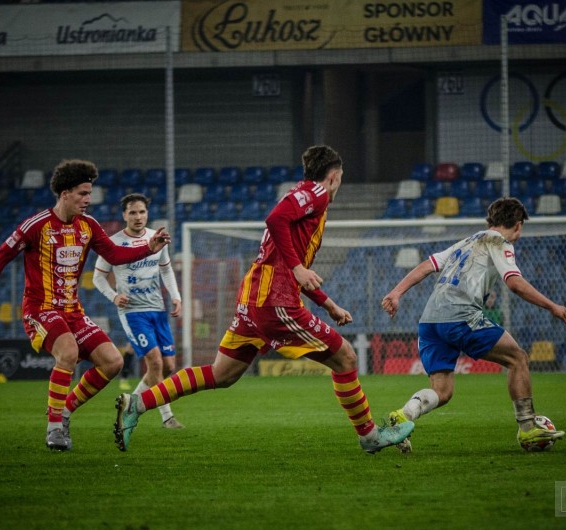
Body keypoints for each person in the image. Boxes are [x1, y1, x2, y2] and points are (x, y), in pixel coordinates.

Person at [113, 145, 414, 453]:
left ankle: (138, 403)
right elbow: (275, 221)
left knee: (221, 374)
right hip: (275, 301)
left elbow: (290, 264)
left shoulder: (300, 195)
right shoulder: (318, 193)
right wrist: (298, 269)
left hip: (255, 298)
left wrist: (328, 304)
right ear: (335, 176)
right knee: (346, 358)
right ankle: (369, 436)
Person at [0, 159, 171, 451]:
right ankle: (54, 429)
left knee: (113, 362)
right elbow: (0, 257)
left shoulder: (89, 226)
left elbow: (114, 255)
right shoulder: (36, 225)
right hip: (40, 309)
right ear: (65, 194)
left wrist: (148, 247)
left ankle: (63, 413)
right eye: (82, 193)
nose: (88, 199)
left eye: (89, 193)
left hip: (73, 312)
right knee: (68, 351)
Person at [381, 197, 566, 451]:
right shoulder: (499, 242)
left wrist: (396, 293)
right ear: (518, 225)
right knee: (517, 358)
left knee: (442, 391)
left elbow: (427, 266)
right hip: (460, 316)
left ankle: (405, 414)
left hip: (429, 322)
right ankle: (528, 427)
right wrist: (552, 306)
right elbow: (515, 283)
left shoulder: (466, 241)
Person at [93, 193, 185, 429]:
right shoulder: (113, 242)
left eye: (142, 212)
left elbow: (166, 270)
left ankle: (131, 403)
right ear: (124, 215)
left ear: (147, 214)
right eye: (132, 212)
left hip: (157, 309)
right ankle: (167, 417)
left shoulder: (156, 237)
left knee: (169, 366)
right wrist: (114, 296)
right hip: (133, 312)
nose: (138, 216)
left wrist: (176, 296)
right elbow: (98, 277)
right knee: (154, 363)